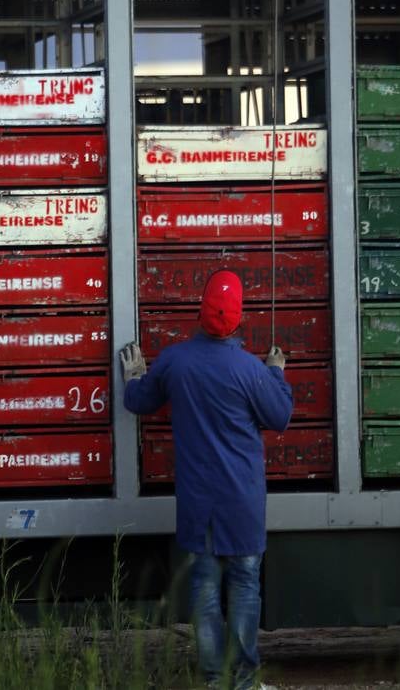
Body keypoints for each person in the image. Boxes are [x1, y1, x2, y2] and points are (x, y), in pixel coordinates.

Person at [119, 269, 293, 690]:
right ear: (238, 320)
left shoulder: (176, 361)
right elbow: (280, 417)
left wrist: (133, 376)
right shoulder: (251, 371)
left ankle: (215, 680)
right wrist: (276, 373)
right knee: (246, 586)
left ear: (200, 313)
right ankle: (245, 683)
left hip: (199, 504)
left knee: (205, 590)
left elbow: (139, 401)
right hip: (243, 504)